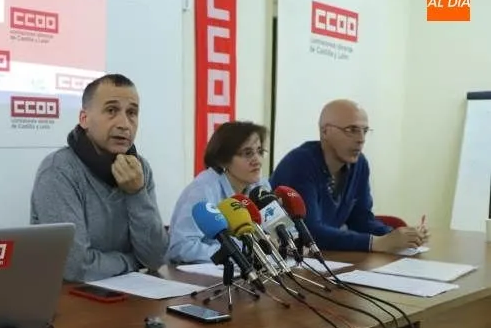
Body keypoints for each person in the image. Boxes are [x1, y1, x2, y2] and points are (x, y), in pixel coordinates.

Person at [30, 73, 168, 282]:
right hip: (70, 300)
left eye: (132, 113)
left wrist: (136, 193)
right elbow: (76, 267)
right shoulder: (59, 170)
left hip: (129, 296)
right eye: (111, 110)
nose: (124, 124)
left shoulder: (140, 169)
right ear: (84, 119)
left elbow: (155, 258)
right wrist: (133, 262)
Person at [270, 99, 428, 253]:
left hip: (330, 258)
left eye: (364, 131)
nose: (361, 139)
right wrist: (375, 242)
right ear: (325, 131)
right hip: (289, 262)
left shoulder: (359, 164)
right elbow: (309, 232)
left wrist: (397, 235)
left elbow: (361, 220)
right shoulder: (300, 163)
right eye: (351, 130)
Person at [168, 121, 271, 263]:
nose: (257, 160)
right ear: (224, 160)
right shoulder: (203, 189)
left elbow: (276, 229)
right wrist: (239, 252)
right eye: (248, 153)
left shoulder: (260, 187)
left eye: (260, 152)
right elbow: (181, 248)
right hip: (195, 279)